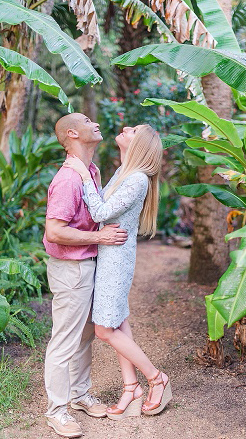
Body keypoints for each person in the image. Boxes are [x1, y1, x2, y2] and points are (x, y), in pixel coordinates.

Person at [63, 124, 171, 422]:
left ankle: (156, 377)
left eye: (133, 130)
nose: (126, 128)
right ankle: (131, 387)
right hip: (107, 255)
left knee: (104, 329)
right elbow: (102, 208)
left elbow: (99, 213)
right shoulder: (125, 172)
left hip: (115, 260)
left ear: (140, 146)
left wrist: (83, 174)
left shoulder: (136, 179)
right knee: (119, 322)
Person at [42, 113, 129, 438]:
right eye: (88, 120)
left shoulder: (90, 170)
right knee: (65, 339)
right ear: (72, 133)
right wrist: (99, 237)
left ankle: (79, 395)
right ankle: (57, 411)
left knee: (85, 335)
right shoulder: (68, 179)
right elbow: (54, 231)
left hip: (88, 264)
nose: (96, 123)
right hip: (71, 269)